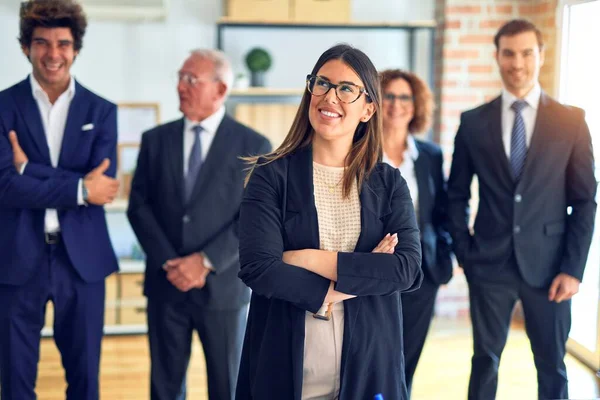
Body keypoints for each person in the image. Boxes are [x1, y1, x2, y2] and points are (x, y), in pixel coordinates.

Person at [236, 44, 423, 400]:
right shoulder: (270, 176)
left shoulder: (388, 183)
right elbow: (259, 268)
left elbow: (407, 270)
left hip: (370, 367)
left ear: (368, 108)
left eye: (346, 88)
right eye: (321, 83)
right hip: (285, 365)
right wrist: (356, 278)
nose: (329, 96)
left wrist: (304, 258)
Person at [447, 19, 596, 400]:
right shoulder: (472, 122)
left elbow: (584, 201)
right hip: (489, 264)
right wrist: (465, 251)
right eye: (509, 53)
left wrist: (572, 269)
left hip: (551, 268)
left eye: (527, 53)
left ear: (541, 55)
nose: (518, 63)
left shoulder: (571, 121)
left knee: (551, 365)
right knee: (485, 361)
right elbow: (456, 195)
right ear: (497, 57)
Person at [127, 49, 271, 400]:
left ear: (220, 90)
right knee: (164, 385)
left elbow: (257, 217)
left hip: (222, 288)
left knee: (227, 385)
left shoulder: (254, 145)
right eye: (180, 77)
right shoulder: (154, 140)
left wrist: (204, 261)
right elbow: (139, 207)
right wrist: (171, 263)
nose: (181, 86)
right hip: (166, 284)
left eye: (191, 79)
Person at [0, 1, 121, 399]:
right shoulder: (2, 107)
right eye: (42, 43)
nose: (53, 54)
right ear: (25, 47)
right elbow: (4, 186)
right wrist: (78, 189)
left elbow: (102, 188)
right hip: (16, 259)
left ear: (76, 49)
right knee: (15, 379)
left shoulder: (101, 111)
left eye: (63, 44)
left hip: (82, 262)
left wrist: (28, 171)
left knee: (85, 379)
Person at [379, 69, 453, 396]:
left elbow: (441, 212)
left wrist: (444, 251)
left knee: (408, 357)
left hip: (422, 272)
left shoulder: (430, 156)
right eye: (388, 96)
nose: (396, 104)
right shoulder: (356, 151)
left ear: (416, 105)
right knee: (372, 352)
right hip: (373, 268)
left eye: (405, 97)